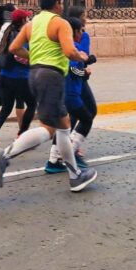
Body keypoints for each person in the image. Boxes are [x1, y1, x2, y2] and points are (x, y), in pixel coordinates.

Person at [0, 0, 97, 192]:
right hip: (52, 76)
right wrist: (81, 57)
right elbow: (68, 51)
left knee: (63, 125)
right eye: (61, 1)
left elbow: (14, 48)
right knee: (51, 128)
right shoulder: (60, 23)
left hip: (34, 74)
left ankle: (74, 174)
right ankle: (4, 156)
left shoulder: (32, 24)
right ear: (58, 3)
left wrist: (34, 57)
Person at [44, 16, 95, 173]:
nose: (83, 33)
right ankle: (69, 155)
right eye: (81, 30)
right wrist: (84, 72)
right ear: (75, 31)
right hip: (70, 94)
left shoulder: (66, 45)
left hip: (65, 92)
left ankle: (54, 159)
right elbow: (72, 69)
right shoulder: (72, 47)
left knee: (63, 126)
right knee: (86, 119)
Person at [0, 9, 35, 143]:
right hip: (19, 77)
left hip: (5, 76)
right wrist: (34, 59)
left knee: (6, 108)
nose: (28, 21)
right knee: (32, 105)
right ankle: (22, 135)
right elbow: (19, 56)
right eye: (27, 19)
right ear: (22, 21)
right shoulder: (20, 35)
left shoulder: (8, 32)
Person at [0, 3, 16, 109]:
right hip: (3, 67)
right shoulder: (9, 28)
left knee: (3, 102)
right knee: (3, 102)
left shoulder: (5, 26)